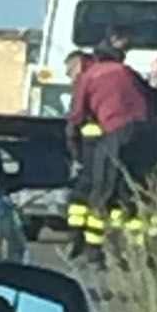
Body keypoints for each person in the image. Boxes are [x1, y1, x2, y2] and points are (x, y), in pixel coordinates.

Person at [67, 42, 157, 264]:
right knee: (133, 192)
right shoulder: (127, 71)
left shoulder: (89, 76)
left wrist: (76, 151)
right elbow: (155, 98)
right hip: (148, 134)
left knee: (103, 191)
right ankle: (138, 253)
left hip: (118, 132)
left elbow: (76, 117)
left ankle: (93, 251)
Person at [63, 50, 101, 259]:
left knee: (84, 193)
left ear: (78, 64)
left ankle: (80, 241)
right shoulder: (100, 75)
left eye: (70, 71)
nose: (69, 76)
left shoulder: (85, 80)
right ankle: (85, 242)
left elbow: (76, 116)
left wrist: (74, 151)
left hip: (93, 146)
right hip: (108, 143)